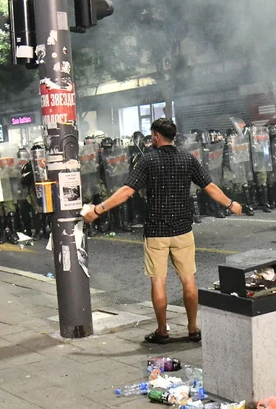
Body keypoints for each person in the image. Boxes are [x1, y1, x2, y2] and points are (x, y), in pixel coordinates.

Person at [82, 118, 243, 344]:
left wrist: (98, 209)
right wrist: (230, 204)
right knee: (189, 280)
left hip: (157, 231)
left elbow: (127, 191)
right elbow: (210, 187)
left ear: (156, 136)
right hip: (183, 230)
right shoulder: (187, 158)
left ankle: (162, 331)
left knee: (159, 282)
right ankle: (193, 328)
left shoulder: (148, 161)